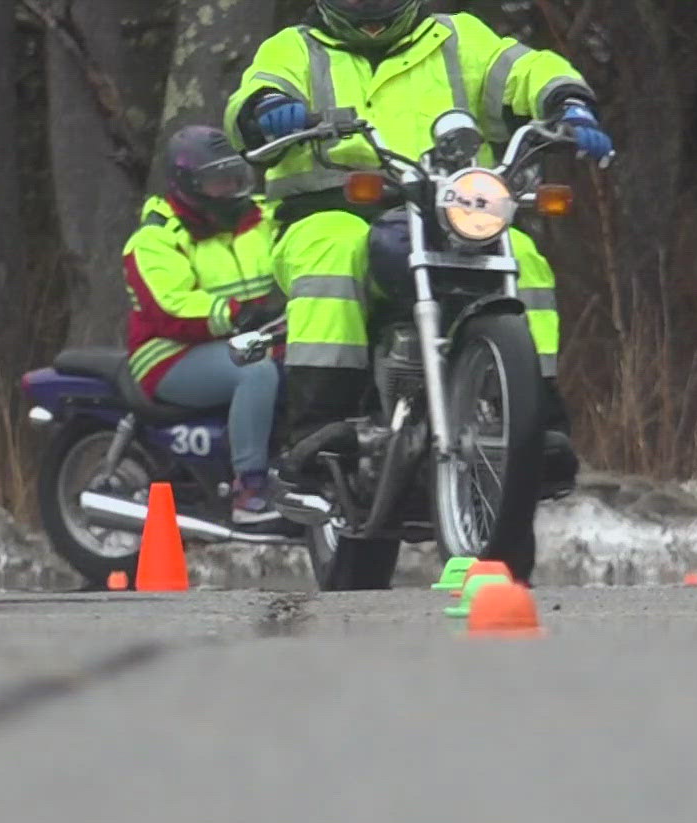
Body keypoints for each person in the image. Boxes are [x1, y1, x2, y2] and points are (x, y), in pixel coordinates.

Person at [223, 0, 613, 487]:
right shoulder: (295, 48)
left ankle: (537, 421)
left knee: (524, 257)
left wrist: (568, 102)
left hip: (450, 206)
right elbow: (252, 98)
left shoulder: (459, 39)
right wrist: (269, 111)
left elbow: (526, 68)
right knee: (335, 253)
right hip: (331, 208)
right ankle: (322, 426)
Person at [123, 125, 288, 528]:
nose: (230, 190)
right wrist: (238, 313)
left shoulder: (266, 218)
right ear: (188, 187)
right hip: (170, 353)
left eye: (235, 178)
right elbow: (172, 309)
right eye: (218, 182)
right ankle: (249, 490)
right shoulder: (156, 239)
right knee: (255, 370)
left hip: (256, 336)